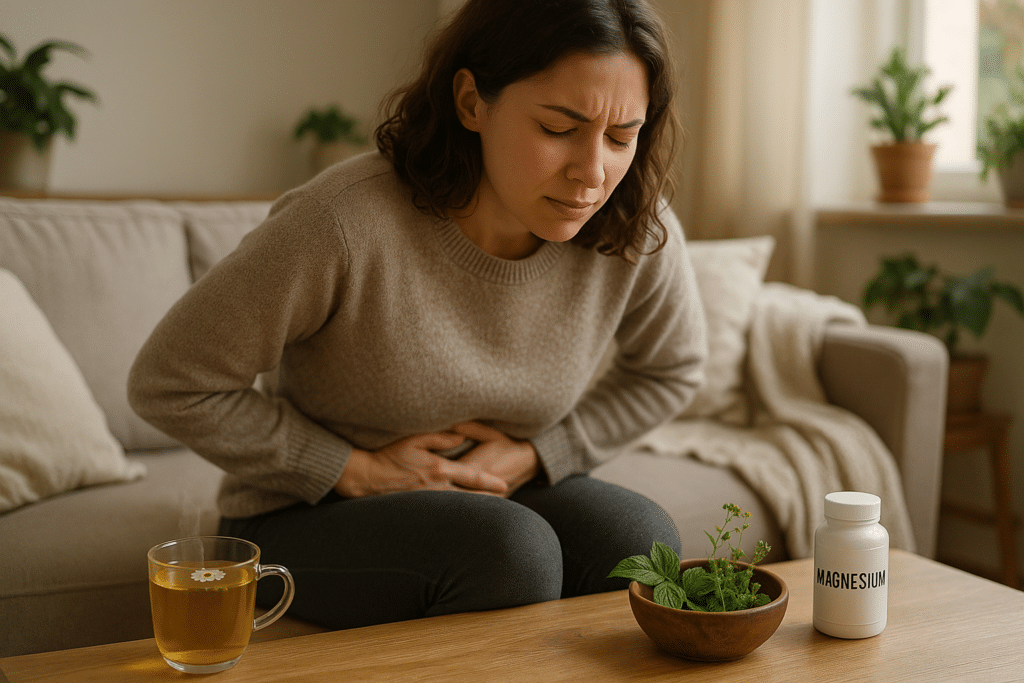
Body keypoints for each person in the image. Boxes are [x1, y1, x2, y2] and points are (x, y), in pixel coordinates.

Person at [128, 0, 707, 630]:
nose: (592, 173)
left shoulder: (631, 223)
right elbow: (170, 381)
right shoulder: (341, 221)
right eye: (558, 128)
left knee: (638, 543)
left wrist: (538, 454)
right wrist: (355, 470)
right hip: (308, 510)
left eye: (622, 137)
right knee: (508, 552)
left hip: (498, 491)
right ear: (471, 103)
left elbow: (671, 369)